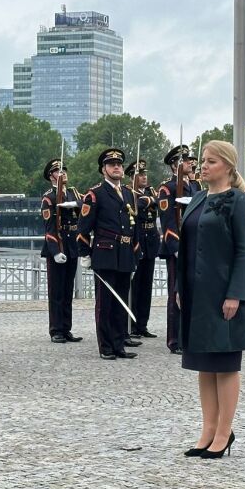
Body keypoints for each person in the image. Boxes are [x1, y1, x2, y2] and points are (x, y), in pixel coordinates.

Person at [178, 140, 245, 460]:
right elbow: (186, 246)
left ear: (226, 166)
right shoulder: (196, 199)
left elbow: (243, 250)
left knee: (224, 364)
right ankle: (207, 429)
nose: (202, 166)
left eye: (209, 162)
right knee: (204, 365)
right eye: (201, 161)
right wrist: (180, 288)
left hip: (224, 292)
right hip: (197, 292)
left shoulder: (237, 200)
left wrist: (235, 293)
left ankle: (225, 431)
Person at [78, 148, 139, 360]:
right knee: (105, 304)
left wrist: (135, 255)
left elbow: (135, 227)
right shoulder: (94, 194)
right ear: (103, 169)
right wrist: (85, 254)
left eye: (119, 164)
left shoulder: (130, 193)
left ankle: (119, 344)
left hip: (125, 254)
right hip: (105, 254)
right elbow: (83, 228)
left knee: (122, 301)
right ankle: (105, 346)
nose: (116, 167)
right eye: (112, 164)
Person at [157, 145, 199, 354]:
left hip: (195, 246)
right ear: (175, 165)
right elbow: (167, 222)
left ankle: (191, 335)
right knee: (176, 293)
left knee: (192, 292)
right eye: (186, 160)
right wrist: (175, 247)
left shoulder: (195, 186)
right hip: (178, 248)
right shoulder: (168, 188)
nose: (191, 163)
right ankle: (175, 339)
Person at [39, 157, 81, 343]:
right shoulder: (49, 197)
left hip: (72, 246)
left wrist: (75, 205)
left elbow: (85, 206)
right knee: (56, 292)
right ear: (51, 176)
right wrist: (55, 250)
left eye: (64, 170)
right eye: (58, 171)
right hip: (58, 246)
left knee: (67, 291)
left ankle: (66, 328)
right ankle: (56, 329)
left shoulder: (73, 193)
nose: (62, 173)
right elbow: (49, 227)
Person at [127, 159, 159, 339]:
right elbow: (136, 208)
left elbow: (160, 202)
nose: (145, 177)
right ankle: (131, 324)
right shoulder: (129, 193)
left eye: (145, 174)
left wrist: (148, 199)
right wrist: (148, 200)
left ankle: (142, 324)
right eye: (140, 174)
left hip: (151, 242)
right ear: (132, 177)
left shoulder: (151, 192)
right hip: (137, 242)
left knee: (146, 287)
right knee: (135, 286)